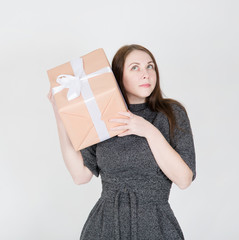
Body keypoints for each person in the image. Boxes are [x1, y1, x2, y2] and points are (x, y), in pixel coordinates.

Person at [47, 44, 196, 240]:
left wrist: (149, 132)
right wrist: (60, 118)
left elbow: (184, 179)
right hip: (103, 228)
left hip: (156, 228)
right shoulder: (101, 115)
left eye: (150, 66)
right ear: (117, 76)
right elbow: (80, 176)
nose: (146, 74)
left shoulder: (171, 114)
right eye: (135, 67)